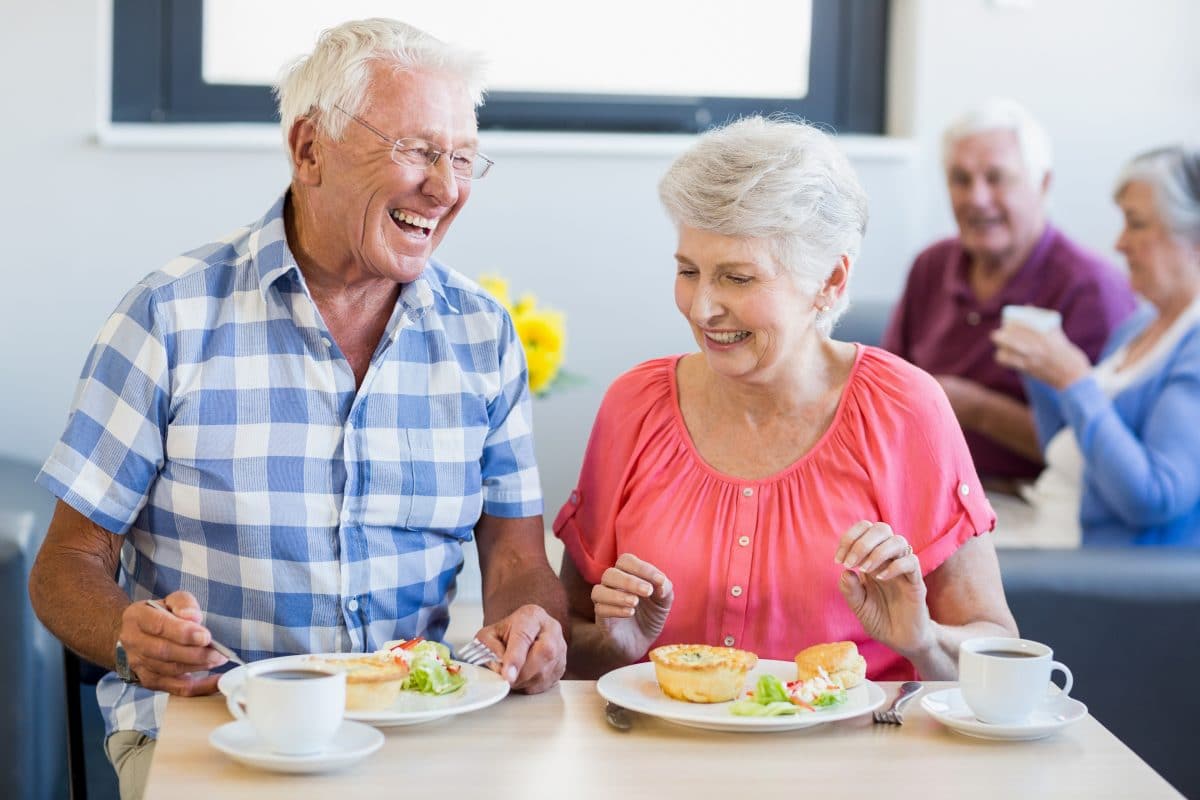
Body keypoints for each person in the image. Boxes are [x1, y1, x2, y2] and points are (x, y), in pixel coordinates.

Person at [28, 18, 567, 799]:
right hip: (212, 730)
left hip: (414, 731)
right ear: (309, 148)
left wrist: (529, 626)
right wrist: (127, 634)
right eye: (417, 150)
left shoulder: (481, 333)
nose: (446, 188)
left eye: (460, 158)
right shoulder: (169, 316)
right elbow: (65, 566)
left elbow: (517, 560)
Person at [554, 117, 1017, 681]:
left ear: (831, 281)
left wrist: (923, 641)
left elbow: (996, 649)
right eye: (688, 271)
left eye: (738, 278)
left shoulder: (906, 408)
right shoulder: (634, 405)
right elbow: (569, 639)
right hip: (657, 758)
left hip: (853, 761)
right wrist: (612, 648)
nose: (701, 309)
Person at [882, 99, 1134, 487]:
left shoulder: (1092, 289)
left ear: (1043, 183)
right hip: (920, 486)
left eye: (996, 178)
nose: (976, 199)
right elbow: (886, 393)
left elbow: (1105, 453)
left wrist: (976, 409)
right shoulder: (931, 265)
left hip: (1031, 497)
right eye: (960, 180)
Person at [992, 145, 1200, 546]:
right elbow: (1066, 448)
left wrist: (1073, 380)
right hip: (1051, 522)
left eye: (1136, 224)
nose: (1120, 243)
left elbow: (1154, 498)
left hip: (1093, 564)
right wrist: (1042, 374)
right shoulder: (1138, 327)